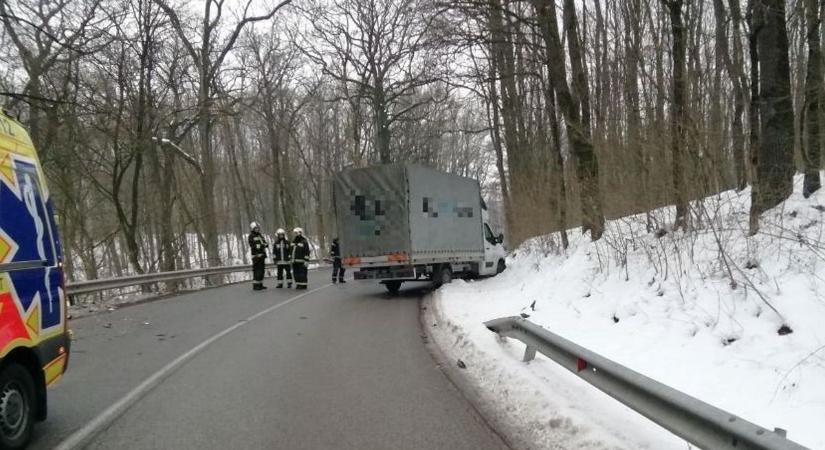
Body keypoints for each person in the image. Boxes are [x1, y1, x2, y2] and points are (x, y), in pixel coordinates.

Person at [248, 221, 268, 290]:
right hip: (256, 256)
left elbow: (265, 243)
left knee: (262, 271)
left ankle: (260, 284)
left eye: (258, 228)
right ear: (253, 229)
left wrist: (265, 244)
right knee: (257, 271)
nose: (257, 229)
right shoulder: (251, 236)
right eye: (256, 228)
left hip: (262, 256)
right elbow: (253, 245)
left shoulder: (260, 235)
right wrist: (261, 245)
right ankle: (255, 285)